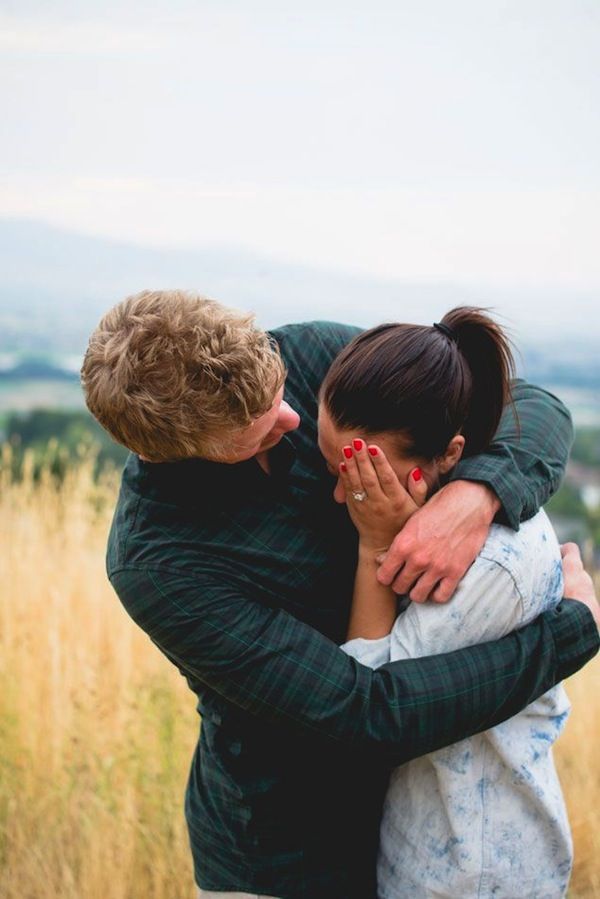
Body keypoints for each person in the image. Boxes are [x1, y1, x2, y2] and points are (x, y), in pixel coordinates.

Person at [80, 290, 599, 899]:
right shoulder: (160, 564)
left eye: (278, 391)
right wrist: (570, 632)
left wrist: (477, 494)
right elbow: (365, 714)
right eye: (261, 430)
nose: (293, 418)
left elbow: (532, 407)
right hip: (285, 853)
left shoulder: (302, 354)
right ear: (169, 453)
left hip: (417, 814)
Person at [318, 307, 581, 897]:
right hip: (430, 841)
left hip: (475, 865)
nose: (341, 494)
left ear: (451, 454)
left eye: (362, 476)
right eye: (333, 467)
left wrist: (372, 548)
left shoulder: (484, 566)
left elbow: (369, 707)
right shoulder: (442, 518)